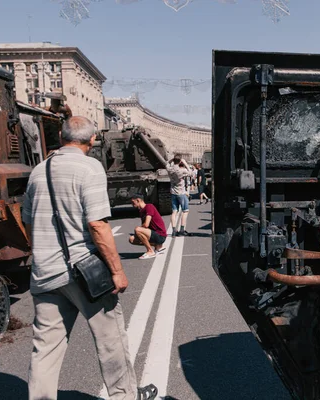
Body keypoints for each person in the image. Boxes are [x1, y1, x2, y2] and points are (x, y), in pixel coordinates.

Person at [22, 116, 157, 400]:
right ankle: (125, 396)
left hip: (44, 272)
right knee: (111, 341)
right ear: (92, 139)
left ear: (60, 136)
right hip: (82, 272)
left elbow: (28, 221)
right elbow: (97, 225)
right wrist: (117, 271)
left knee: (45, 347)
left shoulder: (38, 171)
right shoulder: (90, 167)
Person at [129, 194, 167, 259]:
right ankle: (159, 246)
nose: (132, 205)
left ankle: (150, 251)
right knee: (131, 239)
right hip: (153, 234)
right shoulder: (141, 211)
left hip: (160, 235)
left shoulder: (149, 207)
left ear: (138, 200)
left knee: (137, 229)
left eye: (133, 202)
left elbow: (146, 224)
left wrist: (139, 230)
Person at [166, 154, 192, 236]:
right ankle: (182, 230)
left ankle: (174, 230)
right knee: (185, 211)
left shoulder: (169, 169)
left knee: (174, 212)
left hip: (173, 192)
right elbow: (191, 173)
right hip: (181, 192)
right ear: (180, 161)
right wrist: (185, 163)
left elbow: (167, 164)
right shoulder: (182, 170)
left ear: (173, 160)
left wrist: (171, 160)